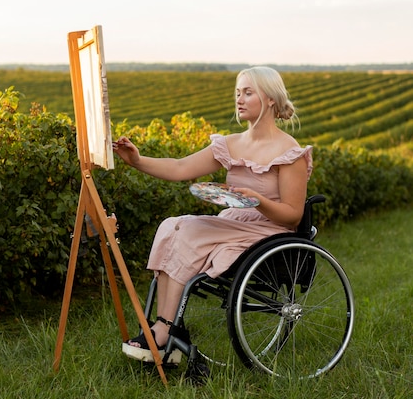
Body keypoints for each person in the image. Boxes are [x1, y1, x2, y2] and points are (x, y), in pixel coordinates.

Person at [112, 66, 313, 363]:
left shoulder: (289, 151)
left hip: (269, 231)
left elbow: (293, 216)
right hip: (236, 221)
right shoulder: (231, 143)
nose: (239, 99)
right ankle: (166, 326)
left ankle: (164, 331)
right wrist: (137, 161)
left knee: (191, 232)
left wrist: (257, 200)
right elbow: (181, 168)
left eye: (248, 92)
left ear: (270, 98)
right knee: (172, 225)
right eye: (237, 93)